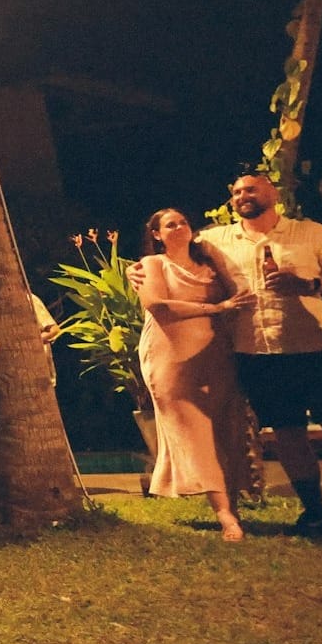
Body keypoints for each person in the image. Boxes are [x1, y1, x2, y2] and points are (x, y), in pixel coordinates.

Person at [201, 173, 322, 539]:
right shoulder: (216, 240)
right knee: (286, 433)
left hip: (317, 347)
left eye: (251, 188)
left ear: (273, 193)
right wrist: (145, 268)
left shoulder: (311, 233)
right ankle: (314, 512)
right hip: (258, 352)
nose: (242, 196)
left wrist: (306, 286)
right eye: (236, 191)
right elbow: (174, 249)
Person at [134, 208, 258, 540]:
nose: (179, 227)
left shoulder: (209, 264)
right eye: (170, 225)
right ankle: (225, 516)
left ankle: (232, 504)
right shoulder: (153, 265)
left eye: (183, 222)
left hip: (217, 355)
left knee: (225, 427)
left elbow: (239, 293)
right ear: (156, 234)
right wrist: (215, 309)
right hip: (171, 357)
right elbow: (156, 304)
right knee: (196, 432)